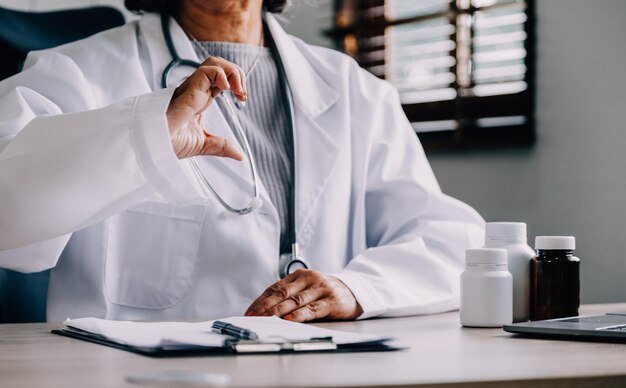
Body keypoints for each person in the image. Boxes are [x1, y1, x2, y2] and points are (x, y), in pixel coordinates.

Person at [0, 0, 484, 323]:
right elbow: (7, 215)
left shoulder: (355, 89)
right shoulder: (76, 70)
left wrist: (357, 289)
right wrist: (146, 134)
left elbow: (449, 241)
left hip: (323, 369)